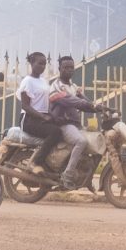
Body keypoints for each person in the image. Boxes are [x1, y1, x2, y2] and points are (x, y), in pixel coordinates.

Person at [46, 55, 104, 189]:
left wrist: (101, 108)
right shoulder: (56, 87)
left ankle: (86, 178)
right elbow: (73, 101)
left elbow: (85, 102)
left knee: (93, 142)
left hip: (75, 125)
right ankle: (68, 175)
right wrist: (91, 105)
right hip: (63, 125)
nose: (69, 70)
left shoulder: (73, 86)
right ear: (59, 69)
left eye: (71, 67)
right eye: (66, 67)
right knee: (81, 141)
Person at [17, 50, 75, 177]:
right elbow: (25, 106)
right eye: (40, 63)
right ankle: (36, 162)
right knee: (56, 132)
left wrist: (54, 116)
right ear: (32, 63)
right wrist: (43, 116)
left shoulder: (43, 81)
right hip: (29, 119)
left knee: (63, 126)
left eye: (44, 64)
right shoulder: (27, 81)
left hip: (42, 117)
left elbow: (47, 102)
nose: (42, 67)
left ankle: (53, 163)